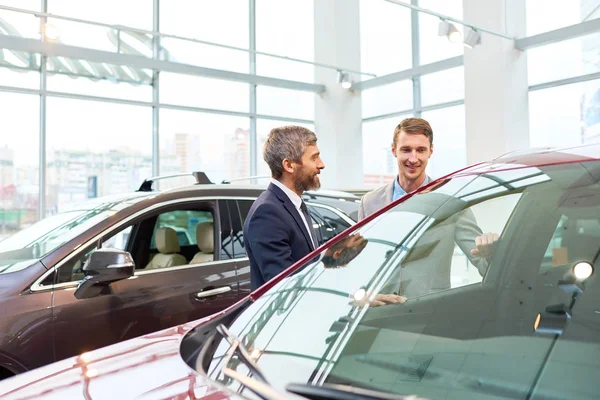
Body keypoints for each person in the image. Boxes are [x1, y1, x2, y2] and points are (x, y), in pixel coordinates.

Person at [358, 118, 498, 298]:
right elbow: (360, 265)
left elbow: (483, 264)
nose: (413, 158)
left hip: (426, 312)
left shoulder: (451, 202)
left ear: (431, 151)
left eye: (421, 150)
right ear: (394, 150)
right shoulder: (370, 202)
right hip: (378, 312)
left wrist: (491, 252)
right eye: (406, 149)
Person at [243, 126, 325, 290]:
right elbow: (285, 287)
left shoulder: (294, 203)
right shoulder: (267, 213)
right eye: (314, 158)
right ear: (289, 165)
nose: (321, 165)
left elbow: (307, 266)